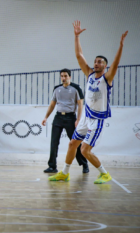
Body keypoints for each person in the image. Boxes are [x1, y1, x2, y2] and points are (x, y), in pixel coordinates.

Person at [49, 21, 128, 184]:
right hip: (86, 116)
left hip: (97, 119)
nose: (96, 63)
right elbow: (79, 55)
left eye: (100, 62)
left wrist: (121, 46)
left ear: (105, 66)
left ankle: (104, 174)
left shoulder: (107, 78)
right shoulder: (90, 74)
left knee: (85, 150)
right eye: (95, 61)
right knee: (72, 144)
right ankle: (64, 173)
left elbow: (117, 64)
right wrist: (76, 37)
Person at [42, 68, 88, 174]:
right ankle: (52, 166)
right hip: (58, 117)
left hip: (70, 118)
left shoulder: (76, 88)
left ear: (70, 77)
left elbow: (80, 104)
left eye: (65, 76)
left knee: (75, 143)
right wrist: (46, 117)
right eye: (62, 76)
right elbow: (53, 104)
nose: (63, 78)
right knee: (54, 142)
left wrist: (78, 119)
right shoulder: (57, 89)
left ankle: (84, 164)